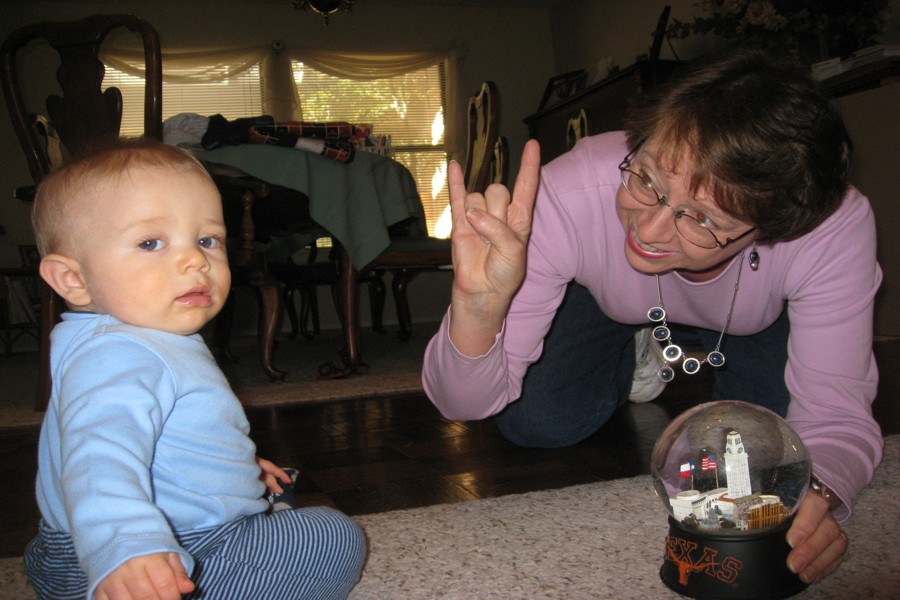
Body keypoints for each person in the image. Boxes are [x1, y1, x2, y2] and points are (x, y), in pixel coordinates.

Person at [423, 47, 883, 586]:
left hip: (753, 315)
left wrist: (818, 494)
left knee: (764, 461)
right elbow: (463, 404)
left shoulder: (829, 226)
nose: (649, 229)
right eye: (647, 180)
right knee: (535, 422)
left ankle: (681, 330)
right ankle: (639, 339)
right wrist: (477, 309)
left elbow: (836, 416)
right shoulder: (569, 192)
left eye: (703, 219)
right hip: (605, 296)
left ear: (773, 228)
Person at [24, 138, 366, 600]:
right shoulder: (122, 353)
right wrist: (126, 547)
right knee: (333, 536)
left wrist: (236, 466)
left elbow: (163, 438)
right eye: (150, 243)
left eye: (208, 240)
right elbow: (96, 457)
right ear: (73, 279)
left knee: (278, 497)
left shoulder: (112, 340)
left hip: (72, 549)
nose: (196, 260)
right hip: (154, 555)